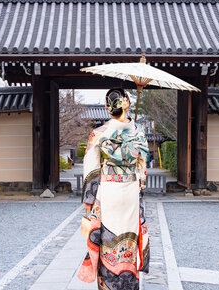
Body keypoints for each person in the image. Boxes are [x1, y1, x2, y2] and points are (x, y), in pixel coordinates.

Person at [77, 88, 150, 290]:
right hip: (131, 193)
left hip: (108, 191)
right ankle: (129, 282)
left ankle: (108, 285)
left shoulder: (99, 133)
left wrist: (88, 202)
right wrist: (138, 185)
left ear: (108, 108)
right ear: (127, 103)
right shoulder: (139, 134)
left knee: (106, 242)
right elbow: (143, 169)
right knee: (130, 241)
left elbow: (91, 170)